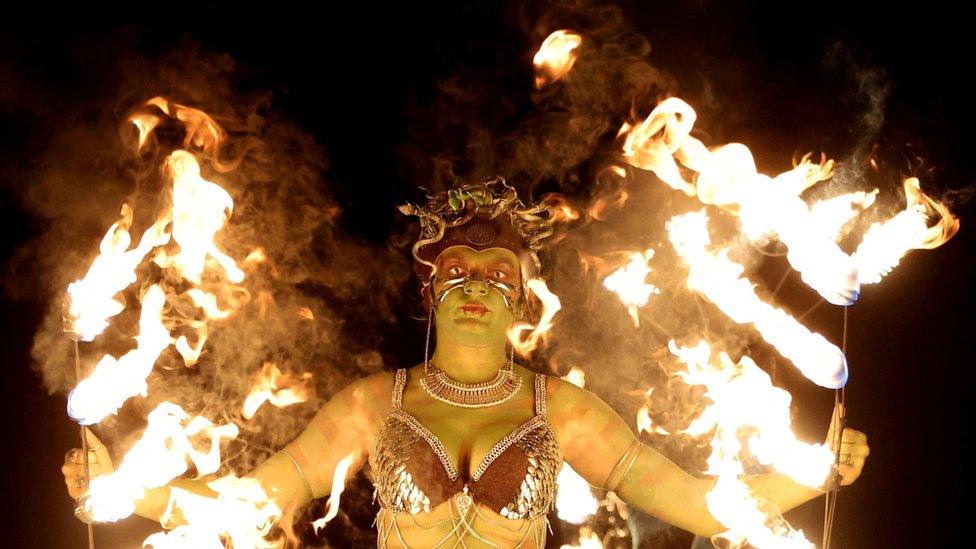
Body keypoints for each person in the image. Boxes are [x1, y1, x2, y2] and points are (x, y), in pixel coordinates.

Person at [62, 179, 869, 548]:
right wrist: (129, 489)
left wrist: (815, 473)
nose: (476, 284)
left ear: (522, 300)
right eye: (457, 272)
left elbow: (699, 503)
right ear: (429, 294)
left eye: (496, 275)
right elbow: (250, 499)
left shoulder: (563, 409)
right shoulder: (374, 403)